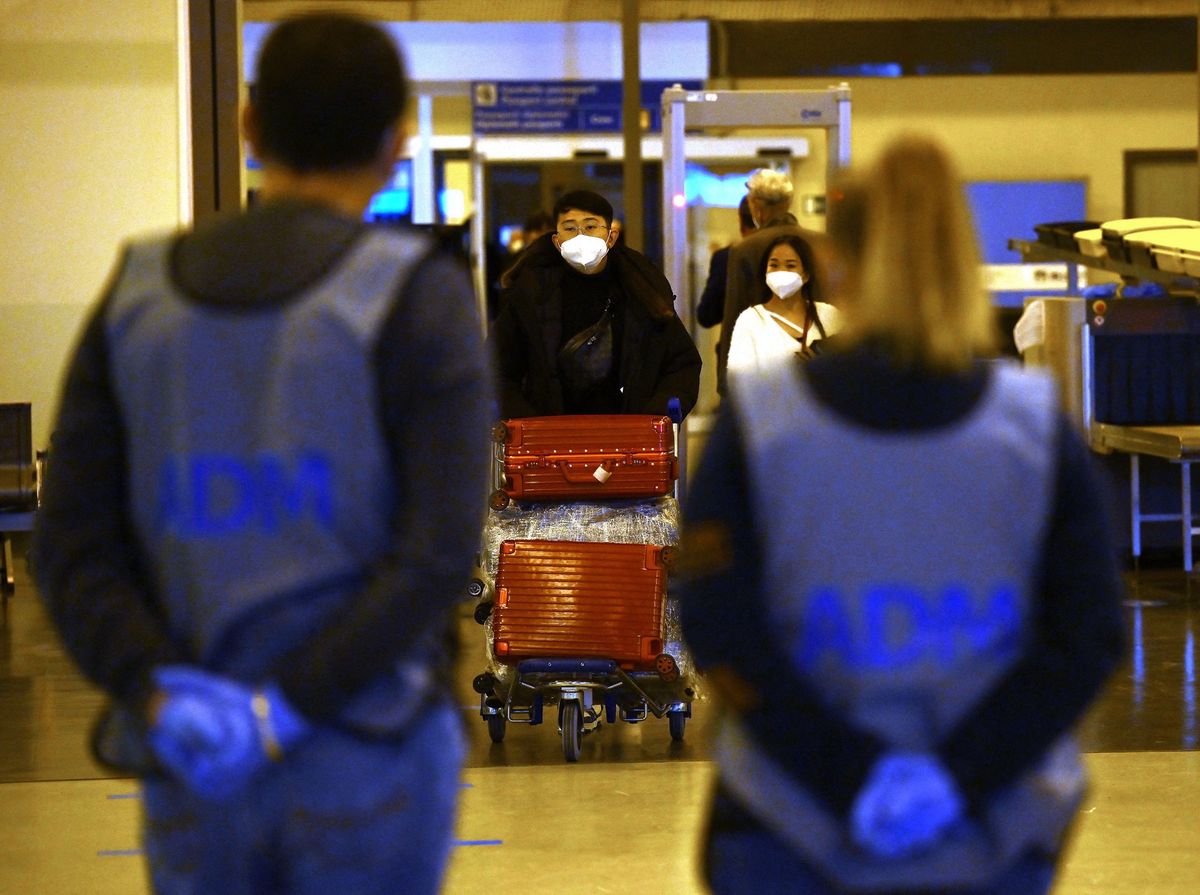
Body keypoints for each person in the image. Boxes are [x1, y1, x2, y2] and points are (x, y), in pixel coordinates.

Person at [32, 13, 493, 895]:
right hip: (370, 747)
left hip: (193, 752)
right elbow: (437, 551)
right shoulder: (418, 297)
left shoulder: (136, 294)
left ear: (248, 125)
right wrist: (285, 709)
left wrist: (157, 691)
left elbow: (70, 547)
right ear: (397, 143)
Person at [678, 134, 1125, 894]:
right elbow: (1087, 638)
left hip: (787, 826)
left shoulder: (761, 424)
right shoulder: (1034, 429)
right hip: (993, 828)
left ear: (837, 263)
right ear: (961, 251)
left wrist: (849, 774)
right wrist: (954, 778)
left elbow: (718, 623)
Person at [489, 188, 702, 418]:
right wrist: (526, 424)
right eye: (570, 228)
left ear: (611, 237)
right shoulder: (530, 293)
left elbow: (681, 365)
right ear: (556, 240)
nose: (580, 236)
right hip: (549, 441)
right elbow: (496, 369)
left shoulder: (641, 289)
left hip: (627, 438)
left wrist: (653, 418)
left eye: (591, 227)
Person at [716, 167, 825, 394]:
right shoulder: (821, 243)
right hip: (818, 367)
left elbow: (734, 312)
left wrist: (725, 386)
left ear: (755, 205)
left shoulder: (745, 249)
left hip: (761, 367)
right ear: (789, 201)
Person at [726, 232, 842, 376]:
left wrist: (820, 369)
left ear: (806, 275)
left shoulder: (829, 315)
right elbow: (738, 381)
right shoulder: (750, 320)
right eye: (774, 265)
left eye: (791, 265)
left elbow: (850, 370)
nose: (781, 271)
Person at [696, 195, 755, 329]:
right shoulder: (786, 255)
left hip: (738, 344)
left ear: (740, 221)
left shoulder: (726, 258)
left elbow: (706, 315)